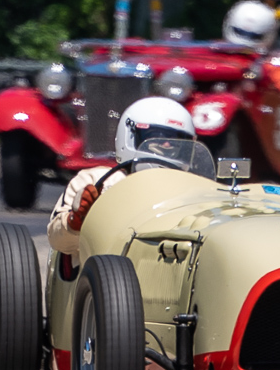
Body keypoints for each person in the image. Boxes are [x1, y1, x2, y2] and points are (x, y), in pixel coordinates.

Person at [47, 97, 199, 256]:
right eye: (157, 135)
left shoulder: (193, 190)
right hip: (100, 269)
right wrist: (77, 220)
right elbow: (57, 241)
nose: (167, 144)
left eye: (176, 139)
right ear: (132, 136)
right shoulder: (94, 180)